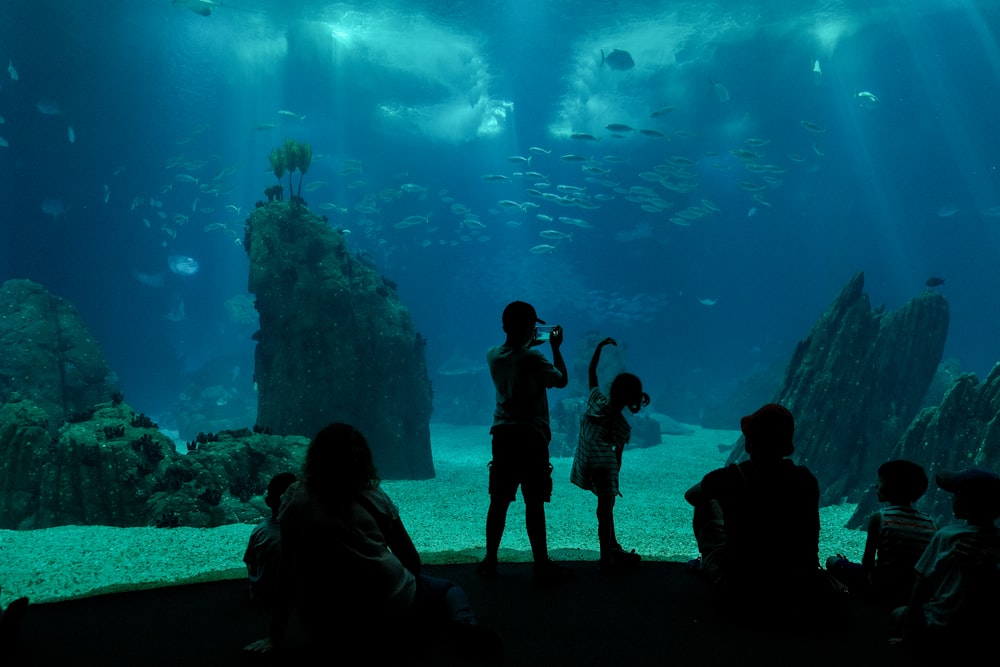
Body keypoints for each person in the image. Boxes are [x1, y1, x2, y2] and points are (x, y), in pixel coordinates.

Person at [244, 423, 502, 660]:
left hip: (323, 623)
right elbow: (411, 558)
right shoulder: (373, 496)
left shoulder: (293, 498)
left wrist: (274, 637)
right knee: (449, 590)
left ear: (315, 458)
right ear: (362, 458)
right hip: (388, 606)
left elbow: (288, 572)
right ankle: (462, 626)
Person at [684, 404, 822, 624]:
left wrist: (723, 492)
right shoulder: (805, 479)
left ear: (749, 442)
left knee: (704, 505)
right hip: (792, 584)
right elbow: (812, 531)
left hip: (741, 586)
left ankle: (709, 566)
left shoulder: (732, 476)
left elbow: (691, 496)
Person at [479, 300, 572, 585]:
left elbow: (516, 357)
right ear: (532, 328)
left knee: (499, 501)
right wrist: (555, 347)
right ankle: (541, 563)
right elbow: (561, 381)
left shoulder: (493, 355)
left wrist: (529, 344)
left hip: (503, 436)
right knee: (534, 502)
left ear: (504, 326)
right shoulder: (534, 359)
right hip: (531, 437)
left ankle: (490, 558)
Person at [891, 468, 1000, 659]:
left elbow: (921, 584)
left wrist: (908, 634)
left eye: (955, 495)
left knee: (897, 614)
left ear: (965, 503)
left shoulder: (946, 535)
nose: (951, 499)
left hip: (939, 625)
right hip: (982, 632)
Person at [570, 336, 650, 572]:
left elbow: (592, 372)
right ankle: (606, 558)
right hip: (605, 467)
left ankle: (613, 546)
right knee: (605, 511)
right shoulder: (622, 425)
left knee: (604, 511)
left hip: (586, 461)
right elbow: (618, 458)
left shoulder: (595, 400)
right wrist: (615, 481)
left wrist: (599, 347)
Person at [826, 460, 937, 607]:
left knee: (831, 561)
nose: (876, 485)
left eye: (881, 480)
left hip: (881, 587)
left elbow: (867, 562)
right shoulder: (931, 523)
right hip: (910, 591)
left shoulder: (879, 518)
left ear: (894, 485)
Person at [243, 472, 297, 605]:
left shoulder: (260, 530)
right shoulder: (306, 531)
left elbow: (250, 563)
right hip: (294, 600)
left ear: (268, 502)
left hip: (261, 597)